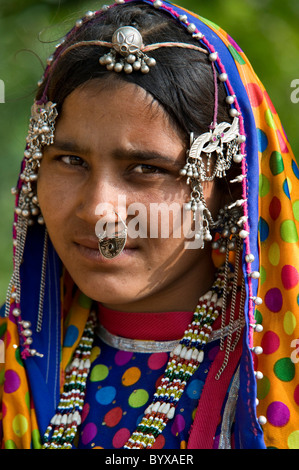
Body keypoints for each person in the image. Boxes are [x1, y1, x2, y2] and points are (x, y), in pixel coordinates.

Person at [0, 0, 298, 450]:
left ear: (227, 184)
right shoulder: (17, 368)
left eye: (146, 169)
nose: (99, 211)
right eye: (70, 160)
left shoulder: (272, 381)